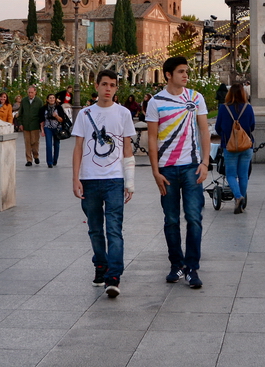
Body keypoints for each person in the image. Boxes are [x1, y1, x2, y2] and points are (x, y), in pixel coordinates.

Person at [146, 56, 211, 290]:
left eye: (187, 71)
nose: (185, 75)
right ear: (168, 75)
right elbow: (151, 138)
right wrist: (155, 171)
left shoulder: (195, 98)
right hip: (167, 169)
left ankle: (192, 267)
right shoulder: (156, 102)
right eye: (181, 71)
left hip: (192, 167)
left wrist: (205, 163)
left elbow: (204, 131)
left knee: (194, 217)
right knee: (171, 220)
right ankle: (176, 264)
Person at [71, 69, 136, 298]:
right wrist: (75, 178)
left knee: (114, 229)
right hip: (89, 180)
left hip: (114, 180)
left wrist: (130, 182)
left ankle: (114, 275)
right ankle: (101, 265)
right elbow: (78, 147)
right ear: (96, 86)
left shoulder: (123, 113)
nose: (108, 88)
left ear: (116, 88)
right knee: (95, 229)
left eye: (113, 85)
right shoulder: (85, 114)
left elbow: (127, 148)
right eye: (105, 84)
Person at [214, 83, 255, 214]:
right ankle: (241, 204)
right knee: (243, 175)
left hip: (229, 145)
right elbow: (252, 126)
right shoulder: (248, 108)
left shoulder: (223, 108)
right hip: (246, 145)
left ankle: (238, 197)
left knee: (230, 174)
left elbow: (217, 127)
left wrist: (227, 136)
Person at [19, 85, 43, 167]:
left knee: (35, 142)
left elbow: (41, 114)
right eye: (29, 92)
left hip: (35, 125)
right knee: (27, 143)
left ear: (35, 92)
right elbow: (20, 113)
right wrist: (20, 123)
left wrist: (41, 125)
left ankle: (36, 155)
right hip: (26, 125)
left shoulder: (39, 101)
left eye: (32, 92)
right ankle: (29, 159)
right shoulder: (24, 101)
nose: (30, 94)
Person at [41, 93, 65, 168]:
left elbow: (62, 120)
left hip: (57, 128)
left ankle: (55, 160)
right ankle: (49, 162)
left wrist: (56, 116)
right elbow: (42, 120)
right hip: (47, 127)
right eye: (50, 98)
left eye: (53, 98)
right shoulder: (44, 108)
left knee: (56, 145)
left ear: (55, 99)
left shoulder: (59, 108)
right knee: (48, 145)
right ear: (47, 100)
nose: (52, 99)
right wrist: (42, 130)